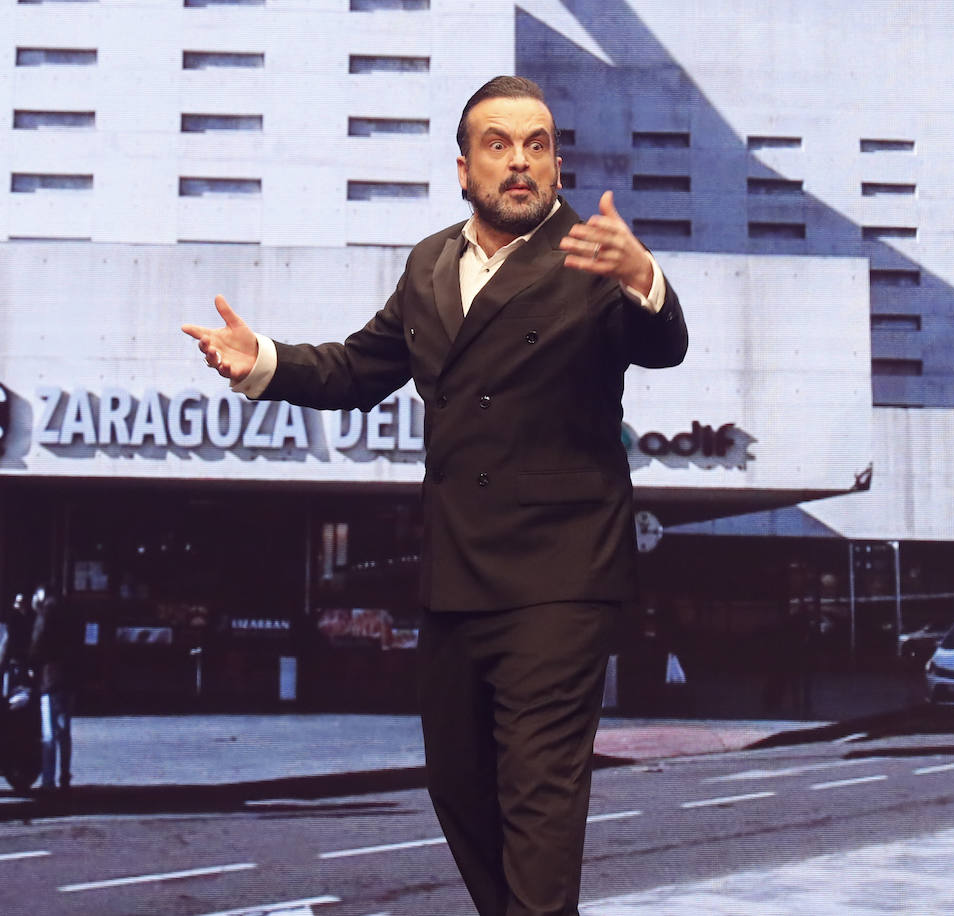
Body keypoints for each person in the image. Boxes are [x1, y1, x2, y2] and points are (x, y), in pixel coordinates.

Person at [182, 75, 688, 916]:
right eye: (499, 145)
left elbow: (662, 342)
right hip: (456, 577)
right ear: (465, 169)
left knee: (538, 804)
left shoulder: (593, 259)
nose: (520, 162)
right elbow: (358, 368)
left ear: (558, 165)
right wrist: (262, 359)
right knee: (458, 789)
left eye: (537, 145)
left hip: (560, 580)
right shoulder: (429, 264)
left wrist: (643, 278)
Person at [29, 584, 78, 791]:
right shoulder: (70, 613)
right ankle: (65, 774)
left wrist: (31, 663)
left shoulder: (45, 614)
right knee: (64, 731)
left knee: (48, 733)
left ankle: (48, 780)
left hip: (49, 678)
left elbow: (36, 644)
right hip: (68, 677)